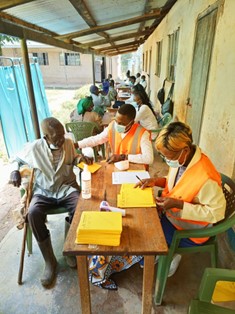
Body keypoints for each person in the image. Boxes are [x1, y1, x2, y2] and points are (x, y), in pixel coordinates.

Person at [9, 117, 92, 287]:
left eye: (63, 134)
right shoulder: (34, 147)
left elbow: (74, 158)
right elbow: (15, 159)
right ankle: (50, 261)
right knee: (32, 213)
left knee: (81, 207)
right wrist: (14, 171)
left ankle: (70, 250)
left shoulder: (68, 143)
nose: (61, 139)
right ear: (46, 136)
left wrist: (81, 160)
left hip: (65, 187)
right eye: (56, 137)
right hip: (44, 191)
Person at [135, 121, 226, 275]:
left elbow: (217, 213)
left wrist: (179, 204)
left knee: (148, 233)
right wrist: (155, 181)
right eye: (163, 156)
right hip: (172, 217)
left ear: (185, 150)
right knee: (143, 220)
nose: (165, 160)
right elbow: (177, 183)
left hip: (190, 231)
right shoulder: (182, 160)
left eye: (167, 156)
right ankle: (159, 252)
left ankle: (172, 252)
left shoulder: (205, 177)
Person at [75, 104, 154, 166]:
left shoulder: (142, 134)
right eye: (116, 121)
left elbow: (149, 158)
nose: (117, 125)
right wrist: (77, 144)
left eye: (122, 123)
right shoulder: (112, 127)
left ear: (132, 122)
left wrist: (123, 157)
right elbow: (97, 139)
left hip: (136, 169)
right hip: (118, 166)